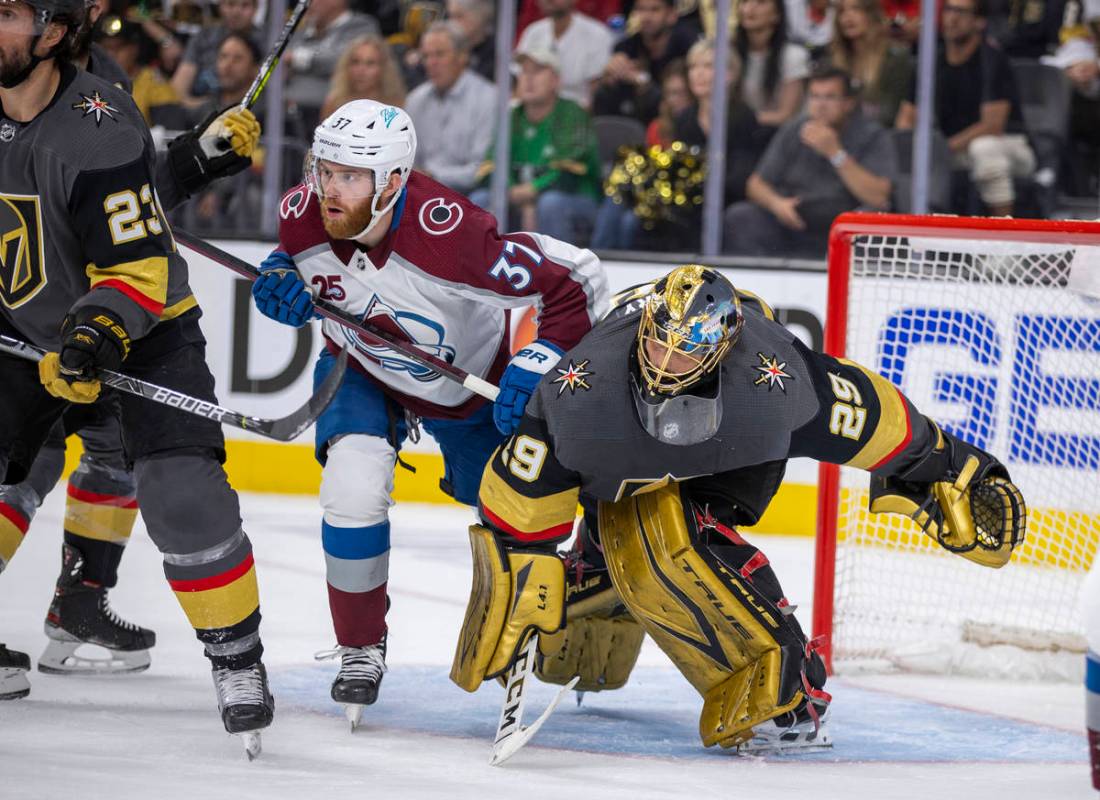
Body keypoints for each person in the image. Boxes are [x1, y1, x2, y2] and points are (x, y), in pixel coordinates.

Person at [449, 264, 1026, 752]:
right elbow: (522, 496)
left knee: (667, 541)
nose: (665, 362)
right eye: (657, 342)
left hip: (732, 459)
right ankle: (598, 564)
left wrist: (948, 465)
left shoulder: (773, 380)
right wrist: (520, 567)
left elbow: (874, 418)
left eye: (687, 350)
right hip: (617, 469)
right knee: (621, 532)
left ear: (723, 346)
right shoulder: (582, 388)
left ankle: (789, 681)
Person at [249, 99, 608, 724]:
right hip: (361, 370)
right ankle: (361, 646)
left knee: (511, 513)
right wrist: (281, 275)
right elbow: (298, 260)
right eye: (324, 170)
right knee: (352, 490)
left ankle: (578, 591)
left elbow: (577, 276)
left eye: (350, 178)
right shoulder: (303, 213)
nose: (329, 190)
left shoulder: (453, 237)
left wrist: (543, 356)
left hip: (471, 390)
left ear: (392, 183)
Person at [0, 0, 273, 745]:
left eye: (6, 12)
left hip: (139, 326)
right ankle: (80, 602)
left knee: (180, 493)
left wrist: (95, 335)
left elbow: (133, 236)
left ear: (55, 32)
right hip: (20, 327)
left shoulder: (100, 107)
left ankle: (236, 657)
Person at [724, 66, 895, 256]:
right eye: (814, 96)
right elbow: (755, 184)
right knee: (741, 216)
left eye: (829, 97)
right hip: (794, 220)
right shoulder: (795, 129)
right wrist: (776, 204)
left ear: (848, 103)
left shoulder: (871, 135)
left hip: (841, 229)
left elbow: (879, 197)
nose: (820, 105)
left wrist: (835, 153)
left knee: (867, 224)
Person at [895, 0, 1035, 216]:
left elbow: (992, 126)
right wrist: (908, 149)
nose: (952, 18)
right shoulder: (931, 60)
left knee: (984, 149)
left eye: (961, 12)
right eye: (948, 10)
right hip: (953, 148)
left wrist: (940, 150)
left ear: (979, 22)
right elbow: (906, 118)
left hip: (1011, 146)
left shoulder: (992, 60)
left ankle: (1005, 235)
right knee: (909, 157)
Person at [470, 44, 602, 245]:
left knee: (550, 204)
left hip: (576, 200)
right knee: (480, 199)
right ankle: (483, 272)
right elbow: (491, 165)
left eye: (538, 71)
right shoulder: (512, 117)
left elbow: (571, 172)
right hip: (520, 196)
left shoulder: (572, 114)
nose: (528, 78)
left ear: (556, 80)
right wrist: (513, 191)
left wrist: (533, 191)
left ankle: (560, 272)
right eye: (524, 71)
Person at [404, 21, 496, 194]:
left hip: (468, 194)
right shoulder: (415, 100)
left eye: (439, 54)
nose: (431, 62)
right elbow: (407, 161)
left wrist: (434, 175)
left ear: (462, 56)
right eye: (426, 56)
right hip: (422, 192)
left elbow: (483, 169)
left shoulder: (489, 99)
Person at [592, 0, 699, 123]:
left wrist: (642, 81)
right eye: (641, 9)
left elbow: (680, 97)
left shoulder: (687, 46)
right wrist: (608, 81)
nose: (646, 17)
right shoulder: (625, 48)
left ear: (671, 15)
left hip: (677, 122)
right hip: (636, 120)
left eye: (655, 10)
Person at [285, 0, 380, 136]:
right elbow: (279, 63)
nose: (308, 4)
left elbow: (341, 59)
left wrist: (294, 58)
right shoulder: (300, 31)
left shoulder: (360, 26)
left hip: (336, 117)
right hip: (289, 115)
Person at [828, 0, 914, 128]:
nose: (848, 17)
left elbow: (890, 112)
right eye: (842, 12)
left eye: (856, 9)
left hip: (880, 135)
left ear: (872, 14)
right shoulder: (833, 58)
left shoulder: (894, 58)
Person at [515, 0, 614, 110]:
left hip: (576, 113)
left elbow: (595, 92)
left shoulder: (597, 34)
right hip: (533, 111)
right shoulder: (533, 31)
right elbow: (518, 82)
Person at [170, 0, 261, 109]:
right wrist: (207, 110)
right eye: (230, 4)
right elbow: (177, 91)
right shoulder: (203, 37)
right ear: (220, 6)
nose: (236, 12)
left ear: (256, 8)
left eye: (245, 5)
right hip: (202, 113)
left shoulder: (268, 40)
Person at [735, 0, 810, 129]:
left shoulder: (793, 55)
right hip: (743, 131)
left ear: (776, 14)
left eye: (760, 2)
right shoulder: (730, 53)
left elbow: (787, 115)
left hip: (782, 133)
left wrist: (742, 119)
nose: (750, 8)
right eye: (745, 1)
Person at [96, 18, 182, 127]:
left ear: (134, 48)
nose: (111, 54)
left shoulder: (153, 83)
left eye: (118, 48)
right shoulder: (91, 80)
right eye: (106, 48)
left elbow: (168, 132)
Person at [321, 32, 407, 120]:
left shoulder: (397, 105)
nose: (361, 71)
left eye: (370, 63)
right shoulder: (334, 103)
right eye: (355, 62)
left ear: (383, 68)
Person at [445, 0, 495, 82]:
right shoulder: (442, 46)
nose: (452, 23)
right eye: (450, 16)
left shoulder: (497, 55)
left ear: (479, 16)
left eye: (458, 16)